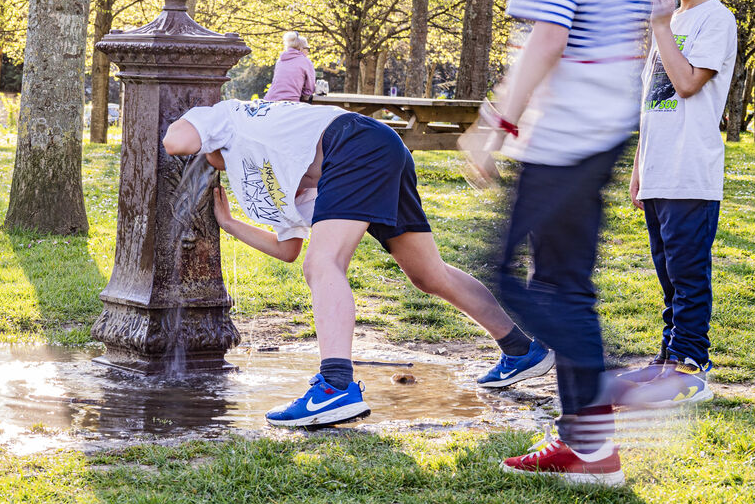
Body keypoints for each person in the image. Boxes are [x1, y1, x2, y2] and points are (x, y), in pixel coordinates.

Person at [459, 0, 653, 486]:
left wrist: (495, 122)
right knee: (567, 285)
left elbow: (548, 34)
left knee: (505, 271)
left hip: (564, 134)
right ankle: (591, 448)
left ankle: (611, 385)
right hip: (607, 131)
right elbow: (638, 30)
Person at [162, 98, 552, 427]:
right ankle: (521, 349)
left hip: (351, 141)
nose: (207, 164)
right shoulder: (260, 179)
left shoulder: (225, 116)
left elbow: (175, 140)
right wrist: (230, 224)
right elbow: (287, 248)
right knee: (428, 274)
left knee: (323, 264)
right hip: (375, 149)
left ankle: (334, 386)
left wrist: (197, 131)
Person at [620, 0, 736, 405]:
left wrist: (662, 28)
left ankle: (691, 364)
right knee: (668, 274)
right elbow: (653, 103)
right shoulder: (673, 20)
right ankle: (669, 359)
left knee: (689, 274)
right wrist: (639, 168)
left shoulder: (715, 19)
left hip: (691, 173)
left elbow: (687, 84)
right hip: (661, 172)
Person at [264, 32, 317, 102]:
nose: (308, 52)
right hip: (289, 101)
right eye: (307, 48)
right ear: (301, 49)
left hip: (269, 99)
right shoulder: (306, 62)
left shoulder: (280, 60)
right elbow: (309, 90)